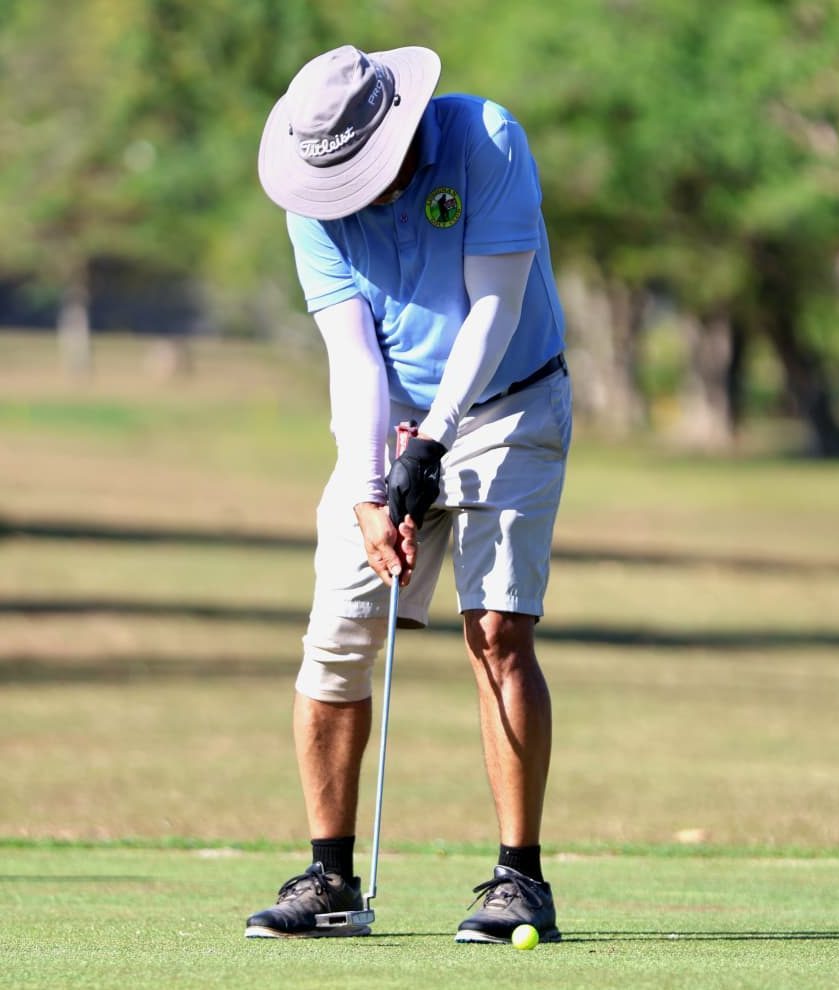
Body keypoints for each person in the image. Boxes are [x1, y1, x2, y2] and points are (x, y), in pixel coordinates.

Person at [246, 44, 571, 944]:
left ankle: (520, 878)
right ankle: (330, 878)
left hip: (509, 400)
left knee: (496, 630)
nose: (355, 193)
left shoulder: (487, 140)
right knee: (337, 638)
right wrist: (366, 488)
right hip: (389, 412)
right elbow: (353, 358)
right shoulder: (311, 202)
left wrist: (435, 439)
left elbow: (494, 309)